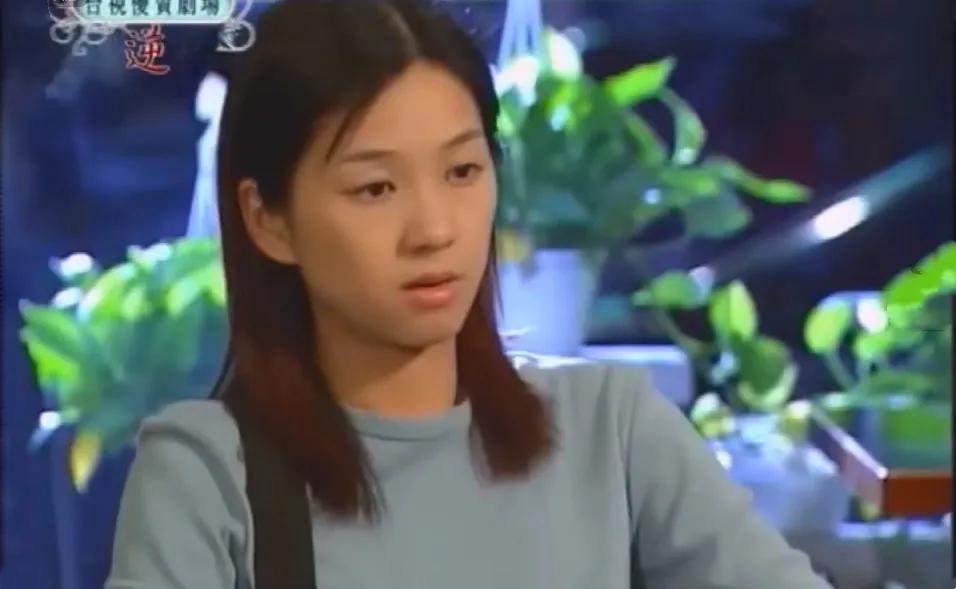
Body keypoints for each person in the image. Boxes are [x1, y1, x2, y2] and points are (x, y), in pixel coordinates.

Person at [105, 0, 834, 587]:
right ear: (268, 219)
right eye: (375, 188)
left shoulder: (611, 429)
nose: (434, 230)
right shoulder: (207, 476)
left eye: (462, 172)